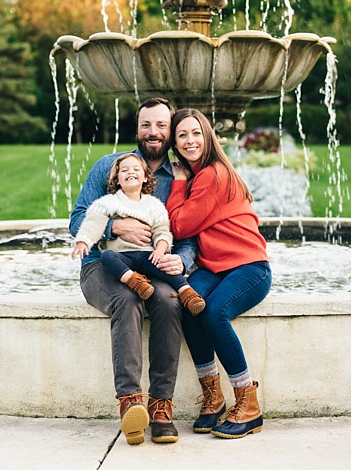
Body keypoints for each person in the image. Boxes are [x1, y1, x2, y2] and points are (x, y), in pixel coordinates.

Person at [70, 97, 197, 446]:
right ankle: (130, 404)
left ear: (170, 131)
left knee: (170, 302)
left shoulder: (180, 176)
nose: (153, 132)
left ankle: (160, 406)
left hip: (152, 266)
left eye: (161, 125)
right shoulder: (110, 165)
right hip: (102, 265)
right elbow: (77, 219)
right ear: (136, 128)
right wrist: (116, 228)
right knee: (126, 300)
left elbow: (188, 235)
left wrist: (181, 262)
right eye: (146, 125)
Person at [167, 108, 271, 439]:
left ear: (208, 135)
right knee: (188, 303)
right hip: (215, 267)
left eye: (196, 132)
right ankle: (213, 399)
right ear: (175, 142)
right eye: (182, 135)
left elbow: (179, 224)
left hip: (250, 267)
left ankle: (248, 403)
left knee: (213, 312)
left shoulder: (210, 174)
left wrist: (179, 181)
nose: (189, 140)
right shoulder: (204, 174)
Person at [71, 153, 206, 315]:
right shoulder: (108, 202)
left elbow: (162, 232)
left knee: (162, 266)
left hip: (146, 256)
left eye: (136, 169)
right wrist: (84, 241)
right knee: (107, 256)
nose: (130, 172)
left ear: (145, 177)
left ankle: (187, 292)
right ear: (117, 179)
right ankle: (134, 281)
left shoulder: (154, 205)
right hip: (120, 256)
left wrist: (160, 250)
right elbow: (92, 223)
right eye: (124, 170)